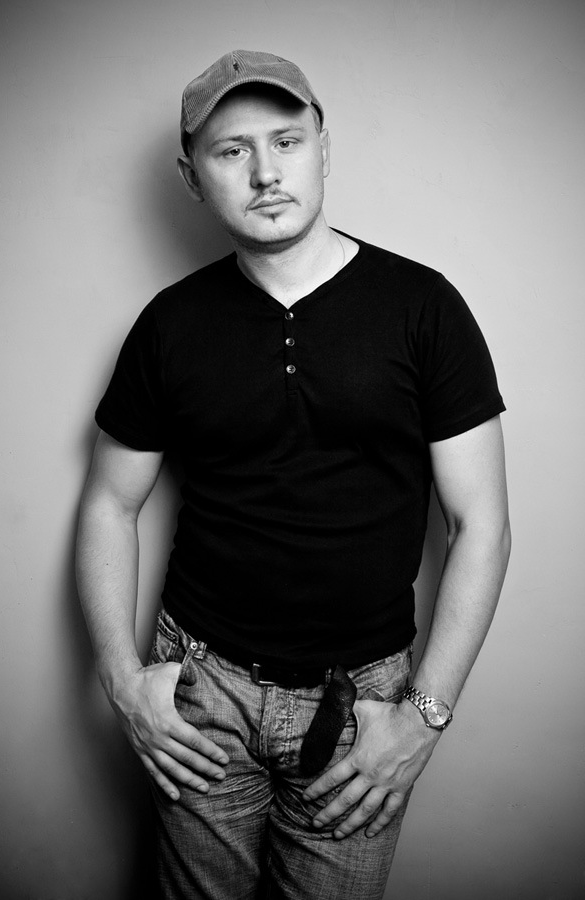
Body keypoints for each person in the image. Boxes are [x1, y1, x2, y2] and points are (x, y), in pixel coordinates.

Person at [76, 49, 511, 900]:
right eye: (232, 150)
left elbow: (482, 527)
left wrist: (424, 718)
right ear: (192, 177)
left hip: (363, 705)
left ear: (322, 149)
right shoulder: (170, 324)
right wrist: (124, 683)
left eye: (287, 141)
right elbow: (107, 506)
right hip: (201, 688)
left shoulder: (423, 307)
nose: (266, 172)